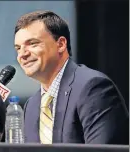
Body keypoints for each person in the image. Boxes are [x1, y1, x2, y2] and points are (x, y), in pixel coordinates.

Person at [14, 10, 129, 144]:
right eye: (18, 48)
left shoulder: (92, 88)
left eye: (33, 43)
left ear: (61, 44)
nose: (22, 54)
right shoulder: (32, 105)